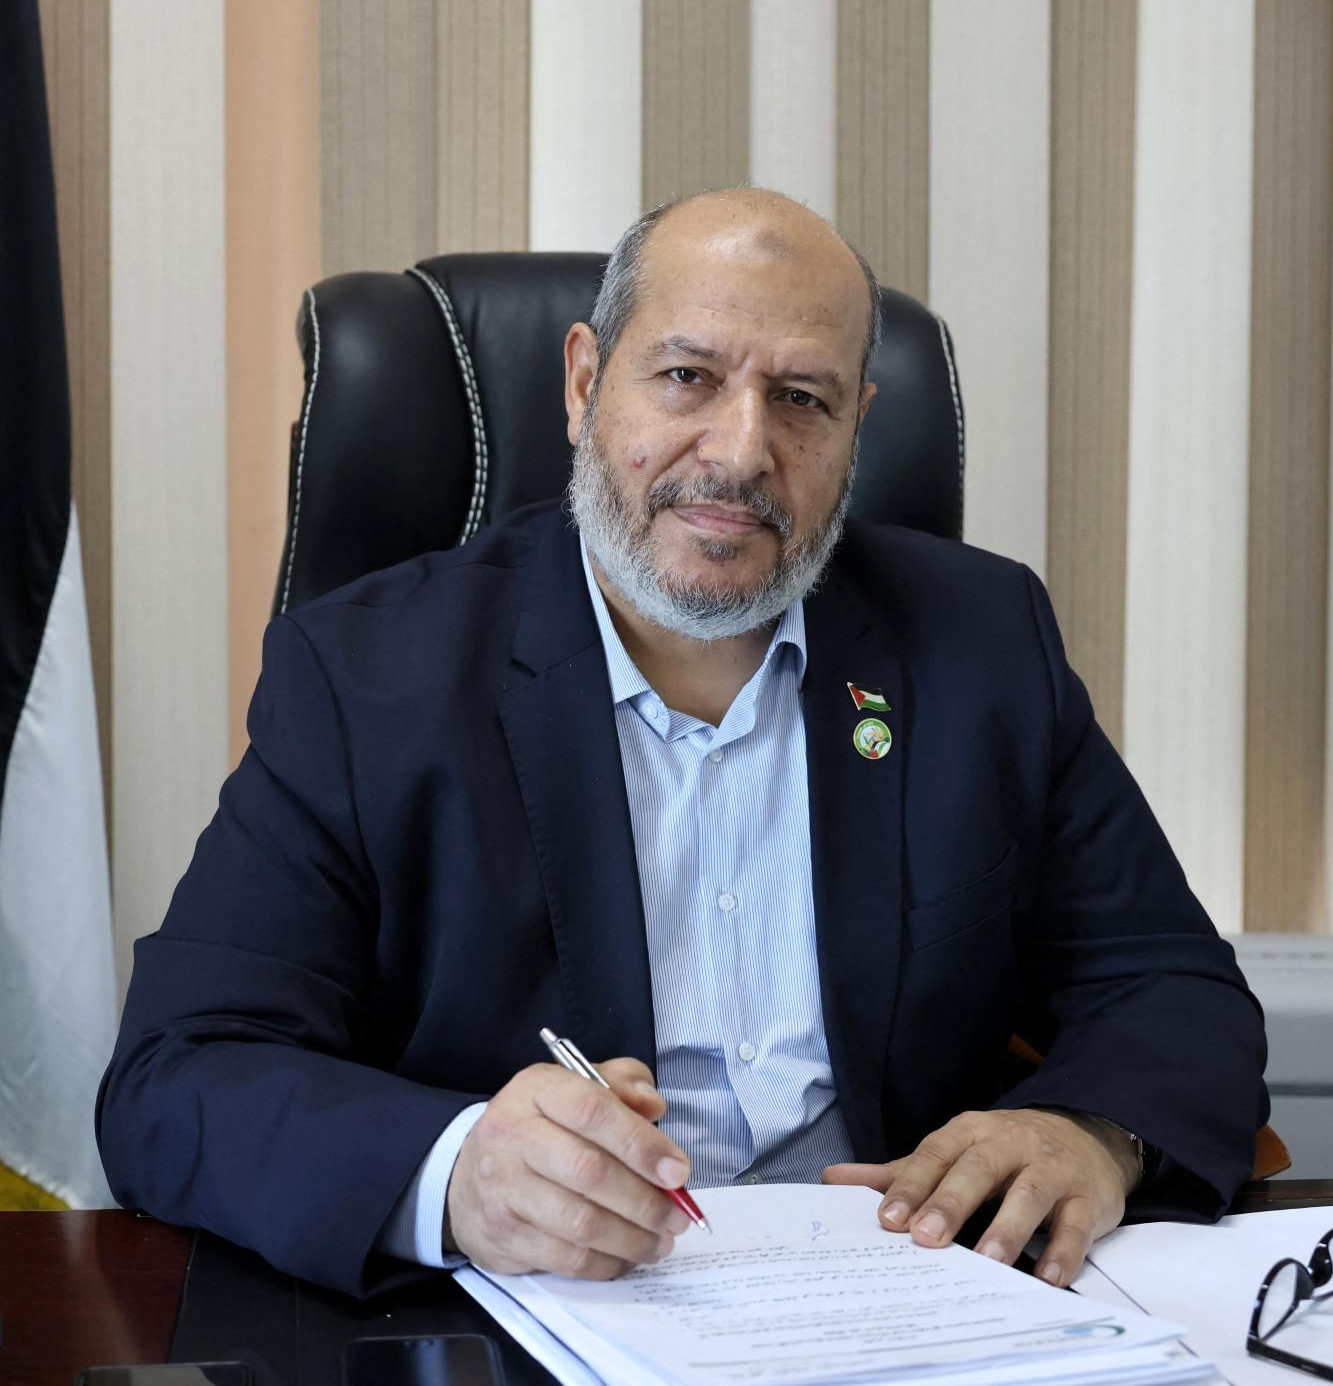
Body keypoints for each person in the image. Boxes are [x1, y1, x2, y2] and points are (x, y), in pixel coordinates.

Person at [97, 188, 1268, 1299]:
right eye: (687, 377)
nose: (742, 450)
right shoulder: (365, 675)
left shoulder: (981, 642)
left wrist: (1090, 1132)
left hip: (903, 1302)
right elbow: (179, 1072)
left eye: (801, 399)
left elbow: (1170, 988)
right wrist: (456, 1174)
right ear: (583, 383)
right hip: (543, 1315)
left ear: (857, 429)